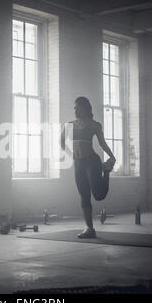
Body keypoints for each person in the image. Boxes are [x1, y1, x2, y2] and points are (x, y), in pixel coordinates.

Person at [61, 97, 116, 238]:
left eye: (77, 107)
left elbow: (102, 144)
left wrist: (112, 156)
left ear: (85, 108)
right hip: (78, 163)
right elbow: (61, 142)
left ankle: (106, 172)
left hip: (92, 161)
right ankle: (89, 229)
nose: (75, 110)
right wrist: (70, 154)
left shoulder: (94, 125)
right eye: (74, 107)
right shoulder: (69, 125)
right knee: (84, 196)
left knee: (98, 195)